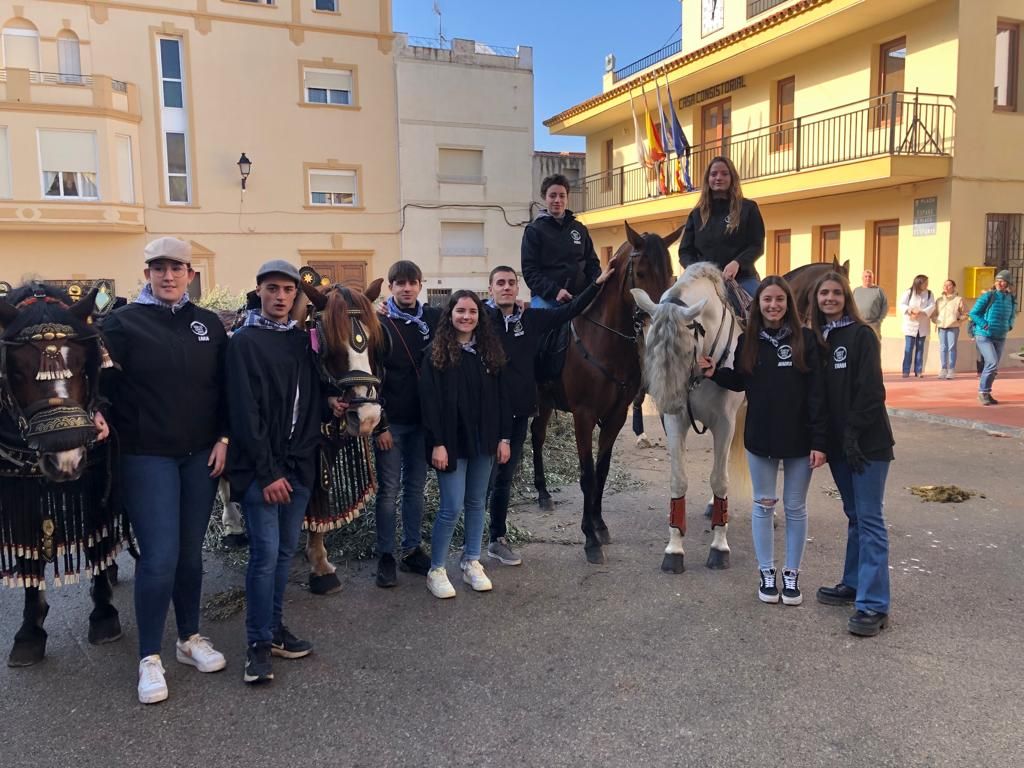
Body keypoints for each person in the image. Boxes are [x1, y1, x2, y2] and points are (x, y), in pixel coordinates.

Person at [101, 237, 229, 705]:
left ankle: (189, 638)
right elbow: (100, 381)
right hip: (146, 454)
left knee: (191, 554)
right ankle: (149, 657)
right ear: (147, 274)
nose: (168, 276)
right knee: (159, 556)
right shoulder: (121, 323)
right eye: (159, 268)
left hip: (201, 456)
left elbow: (224, 387)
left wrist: (225, 438)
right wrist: (95, 409)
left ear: (191, 274)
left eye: (176, 268)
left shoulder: (209, 325)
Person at [226, 259, 329, 683]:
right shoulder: (243, 343)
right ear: (259, 292)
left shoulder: (303, 342)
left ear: (297, 296)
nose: (281, 297)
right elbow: (244, 414)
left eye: (288, 290)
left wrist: (334, 408)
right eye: (273, 289)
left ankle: (275, 630)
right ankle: (257, 643)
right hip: (261, 472)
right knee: (265, 556)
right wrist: (268, 474)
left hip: (299, 468)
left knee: (285, 553)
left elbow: (308, 401)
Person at [699, 276, 827, 606]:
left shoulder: (807, 340)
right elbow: (741, 382)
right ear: (758, 305)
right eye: (767, 299)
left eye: (779, 300)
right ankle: (767, 571)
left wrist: (819, 440)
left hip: (799, 438)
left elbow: (816, 393)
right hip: (760, 437)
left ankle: (791, 574)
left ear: (788, 304)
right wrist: (715, 373)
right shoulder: (749, 342)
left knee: (796, 508)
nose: (773, 305)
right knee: (764, 505)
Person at [484, 263, 613, 565]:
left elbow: (570, 311)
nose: (506, 287)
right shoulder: (479, 319)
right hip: (485, 411)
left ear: (517, 289)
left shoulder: (531, 318)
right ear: (490, 289)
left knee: (503, 476)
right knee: (480, 480)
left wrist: (597, 282)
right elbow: (448, 317)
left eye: (510, 283)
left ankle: (495, 538)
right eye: (499, 283)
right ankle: (468, 544)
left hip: (515, 414)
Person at [810, 272, 895, 637]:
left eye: (835, 293)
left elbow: (872, 391)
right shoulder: (818, 340)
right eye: (823, 294)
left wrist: (853, 433)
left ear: (846, 297)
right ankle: (853, 583)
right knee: (854, 515)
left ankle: (874, 605)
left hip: (867, 445)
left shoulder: (861, 336)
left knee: (870, 519)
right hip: (840, 447)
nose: (829, 298)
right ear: (815, 300)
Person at [419, 291, 511, 598]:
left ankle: (472, 560)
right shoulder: (436, 352)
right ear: (450, 314)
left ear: (479, 316)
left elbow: (502, 399)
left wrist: (504, 438)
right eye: (460, 311)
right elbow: (429, 404)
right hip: (450, 443)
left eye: (472, 311)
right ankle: (437, 569)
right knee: (451, 507)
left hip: (484, 440)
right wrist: (437, 444)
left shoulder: (489, 352)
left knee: (476, 504)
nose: (467, 316)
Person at [373, 260, 440, 587]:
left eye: (412, 282)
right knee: (388, 492)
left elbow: (470, 314)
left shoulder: (431, 319)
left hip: (422, 423)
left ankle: (411, 549)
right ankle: (385, 555)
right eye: (399, 283)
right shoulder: (380, 324)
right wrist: (380, 425)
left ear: (420, 285)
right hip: (392, 424)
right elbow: (373, 379)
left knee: (415, 489)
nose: (406, 288)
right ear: (391, 288)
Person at [678, 155, 765, 298]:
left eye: (725, 174)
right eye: (714, 174)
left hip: (742, 279)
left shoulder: (748, 208)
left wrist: (737, 263)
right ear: (708, 179)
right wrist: (697, 270)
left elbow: (756, 245)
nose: (719, 178)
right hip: (703, 282)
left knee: (763, 306)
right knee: (671, 304)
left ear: (732, 178)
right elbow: (685, 252)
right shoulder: (696, 215)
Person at [521, 173, 600, 309]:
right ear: (544, 198)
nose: (557, 200)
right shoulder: (534, 230)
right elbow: (530, 271)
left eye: (562, 196)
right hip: (547, 300)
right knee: (542, 328)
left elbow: (592, 264)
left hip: (580, 298)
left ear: (567, 198)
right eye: (553, 195)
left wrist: (595, 287)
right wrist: (555, 291)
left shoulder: (580, 229)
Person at [969, 270, 1017, 406]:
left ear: (1008, 283)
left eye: (1003, 281)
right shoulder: (988, 296)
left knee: (993, 367)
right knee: (991, 362)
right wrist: (984, 325)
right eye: (997, 280)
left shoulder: (1011, 299)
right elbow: (973, 313)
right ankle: (982, 392)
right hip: (984, 335)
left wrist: (1009, 325)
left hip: (1000, 336)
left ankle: (987, 393)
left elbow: (1012, 315)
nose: (999, 283)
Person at [898, 275, 935, 377]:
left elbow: (932, 306)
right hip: (910, 324)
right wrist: (910, 310)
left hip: (922, 324)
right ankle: (906, 371)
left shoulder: (929, 294)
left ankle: (918, 371)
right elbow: (901, 304)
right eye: (925, 283)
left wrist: (922, 311)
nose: (927, 285)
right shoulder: (909, 292)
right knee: (909, 348)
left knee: (920, 348)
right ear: (919, 283)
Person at [934, 279, 967, 380]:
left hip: (953, 327)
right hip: (941, 327)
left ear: (953, 287)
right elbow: (934, 314)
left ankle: (951, 369)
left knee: (951, 348)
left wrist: (958, 319)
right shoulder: (939, 300)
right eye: (945, 285)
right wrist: (936, 320)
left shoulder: (958, 299)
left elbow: (965, 313)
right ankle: (943, 369)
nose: (946, 287)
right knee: (943, 348)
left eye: (949, 285)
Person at [852, 269, 889, 338]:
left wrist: (879, 320)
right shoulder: (856, 291)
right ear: (862, 278)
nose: (868, 278)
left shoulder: (878, 291)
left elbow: (885, 306)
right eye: (866, 276)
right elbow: (851, 305)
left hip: (873, 324)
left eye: (870, 277)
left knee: (874, 344)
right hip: (858, 324)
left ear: (873, 278)